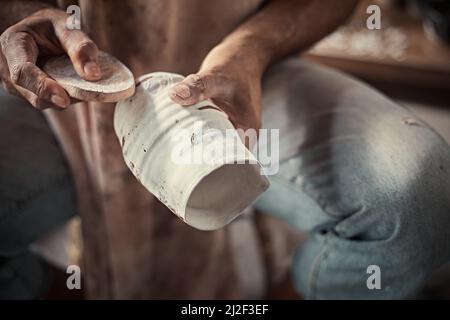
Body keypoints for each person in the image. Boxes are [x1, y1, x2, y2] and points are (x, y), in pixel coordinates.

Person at [0, 0, 449, 299]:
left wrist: (249, 50)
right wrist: (19, 15)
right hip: (67, 88)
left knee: (419, 201)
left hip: (239, 72)